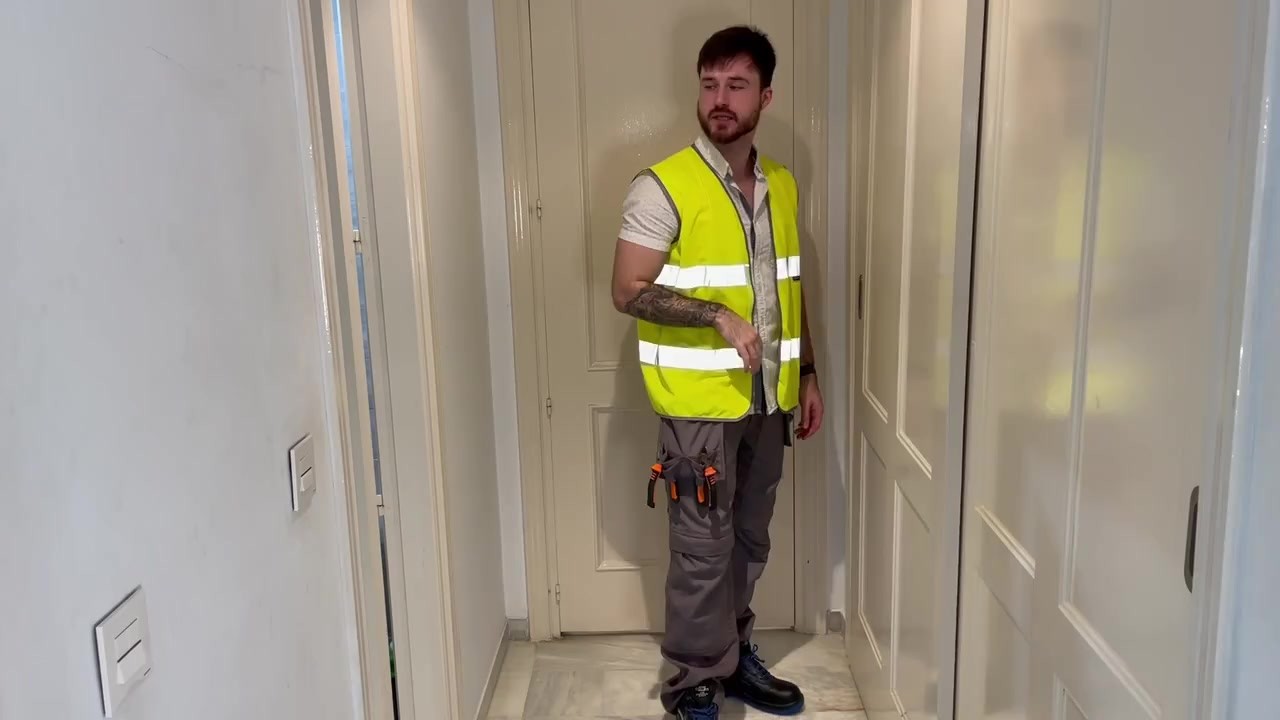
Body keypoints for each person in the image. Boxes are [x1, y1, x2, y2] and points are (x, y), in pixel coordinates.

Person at [610, 25, 825, 720]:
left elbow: (788, 290)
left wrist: (808, 374)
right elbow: (627, 290)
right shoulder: (662, 186)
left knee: (749, 539)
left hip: (768, 400)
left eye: (736, 85)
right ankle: (695, 679)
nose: (720, 99)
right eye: (709, 85)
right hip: (697, 406)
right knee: (702, 550)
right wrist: (716, 317)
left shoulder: (782, 185)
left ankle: (732, 658)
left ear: (766, 96)